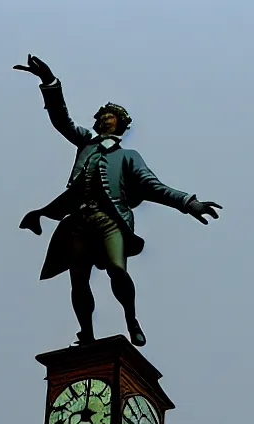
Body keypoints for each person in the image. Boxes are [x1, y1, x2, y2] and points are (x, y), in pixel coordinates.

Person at [14, 55, 221, 346]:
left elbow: (154, 187)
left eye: (107, 115)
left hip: (110, 220)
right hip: (79, 222)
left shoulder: (127, 157)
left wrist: (188, 203)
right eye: (99, 115)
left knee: (116, 269)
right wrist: (49, 83)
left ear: (120, 123)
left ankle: (131, 319)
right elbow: (61, 120)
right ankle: (86, 332)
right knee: (79, 280)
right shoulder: (86, 143)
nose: (100, 118)